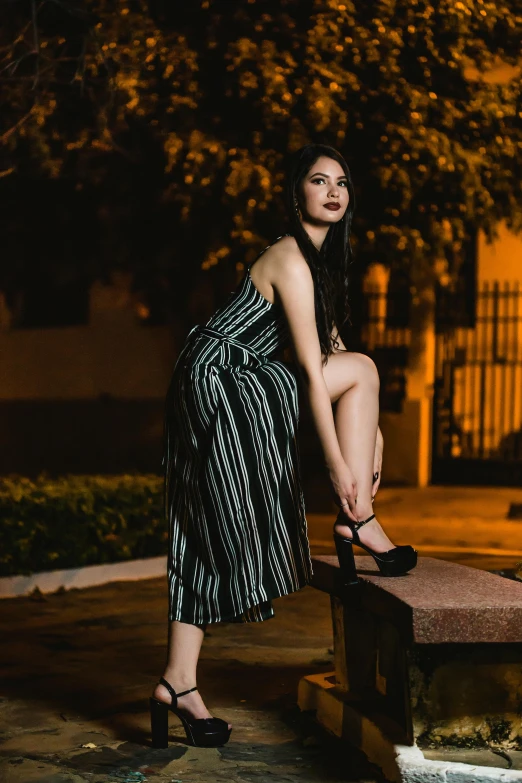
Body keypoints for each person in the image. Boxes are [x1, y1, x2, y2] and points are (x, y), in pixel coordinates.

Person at [149, 143, 417, 750]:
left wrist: (370, 429)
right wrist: (337, 466)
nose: (333, 192)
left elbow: (335, 351)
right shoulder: (291, 260)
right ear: (296, 192)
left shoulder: (316, 265)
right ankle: (356, 516)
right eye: (319, 181)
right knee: (214, 524)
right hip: (223, 379)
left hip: (243, 377)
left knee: (202, 527)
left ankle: (177, 682)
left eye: (342, 183)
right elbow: (309, 366)